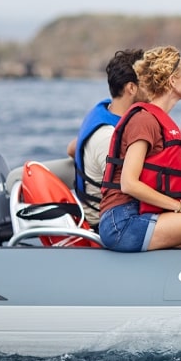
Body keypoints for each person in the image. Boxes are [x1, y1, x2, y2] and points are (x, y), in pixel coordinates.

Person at [97, 46, 181, 252]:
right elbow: (129, 184)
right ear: (172, 81)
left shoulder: (159, 120)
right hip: (123, 222)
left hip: (142, 215)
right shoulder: (144, 120)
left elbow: (169, 187)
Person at [67, 48, 145, 228]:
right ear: (131, 88)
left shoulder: (103, 110)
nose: (155, 86)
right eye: (148, 81)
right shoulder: (109, 135)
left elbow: (72, 148)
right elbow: (131, 189)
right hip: (106, 223)